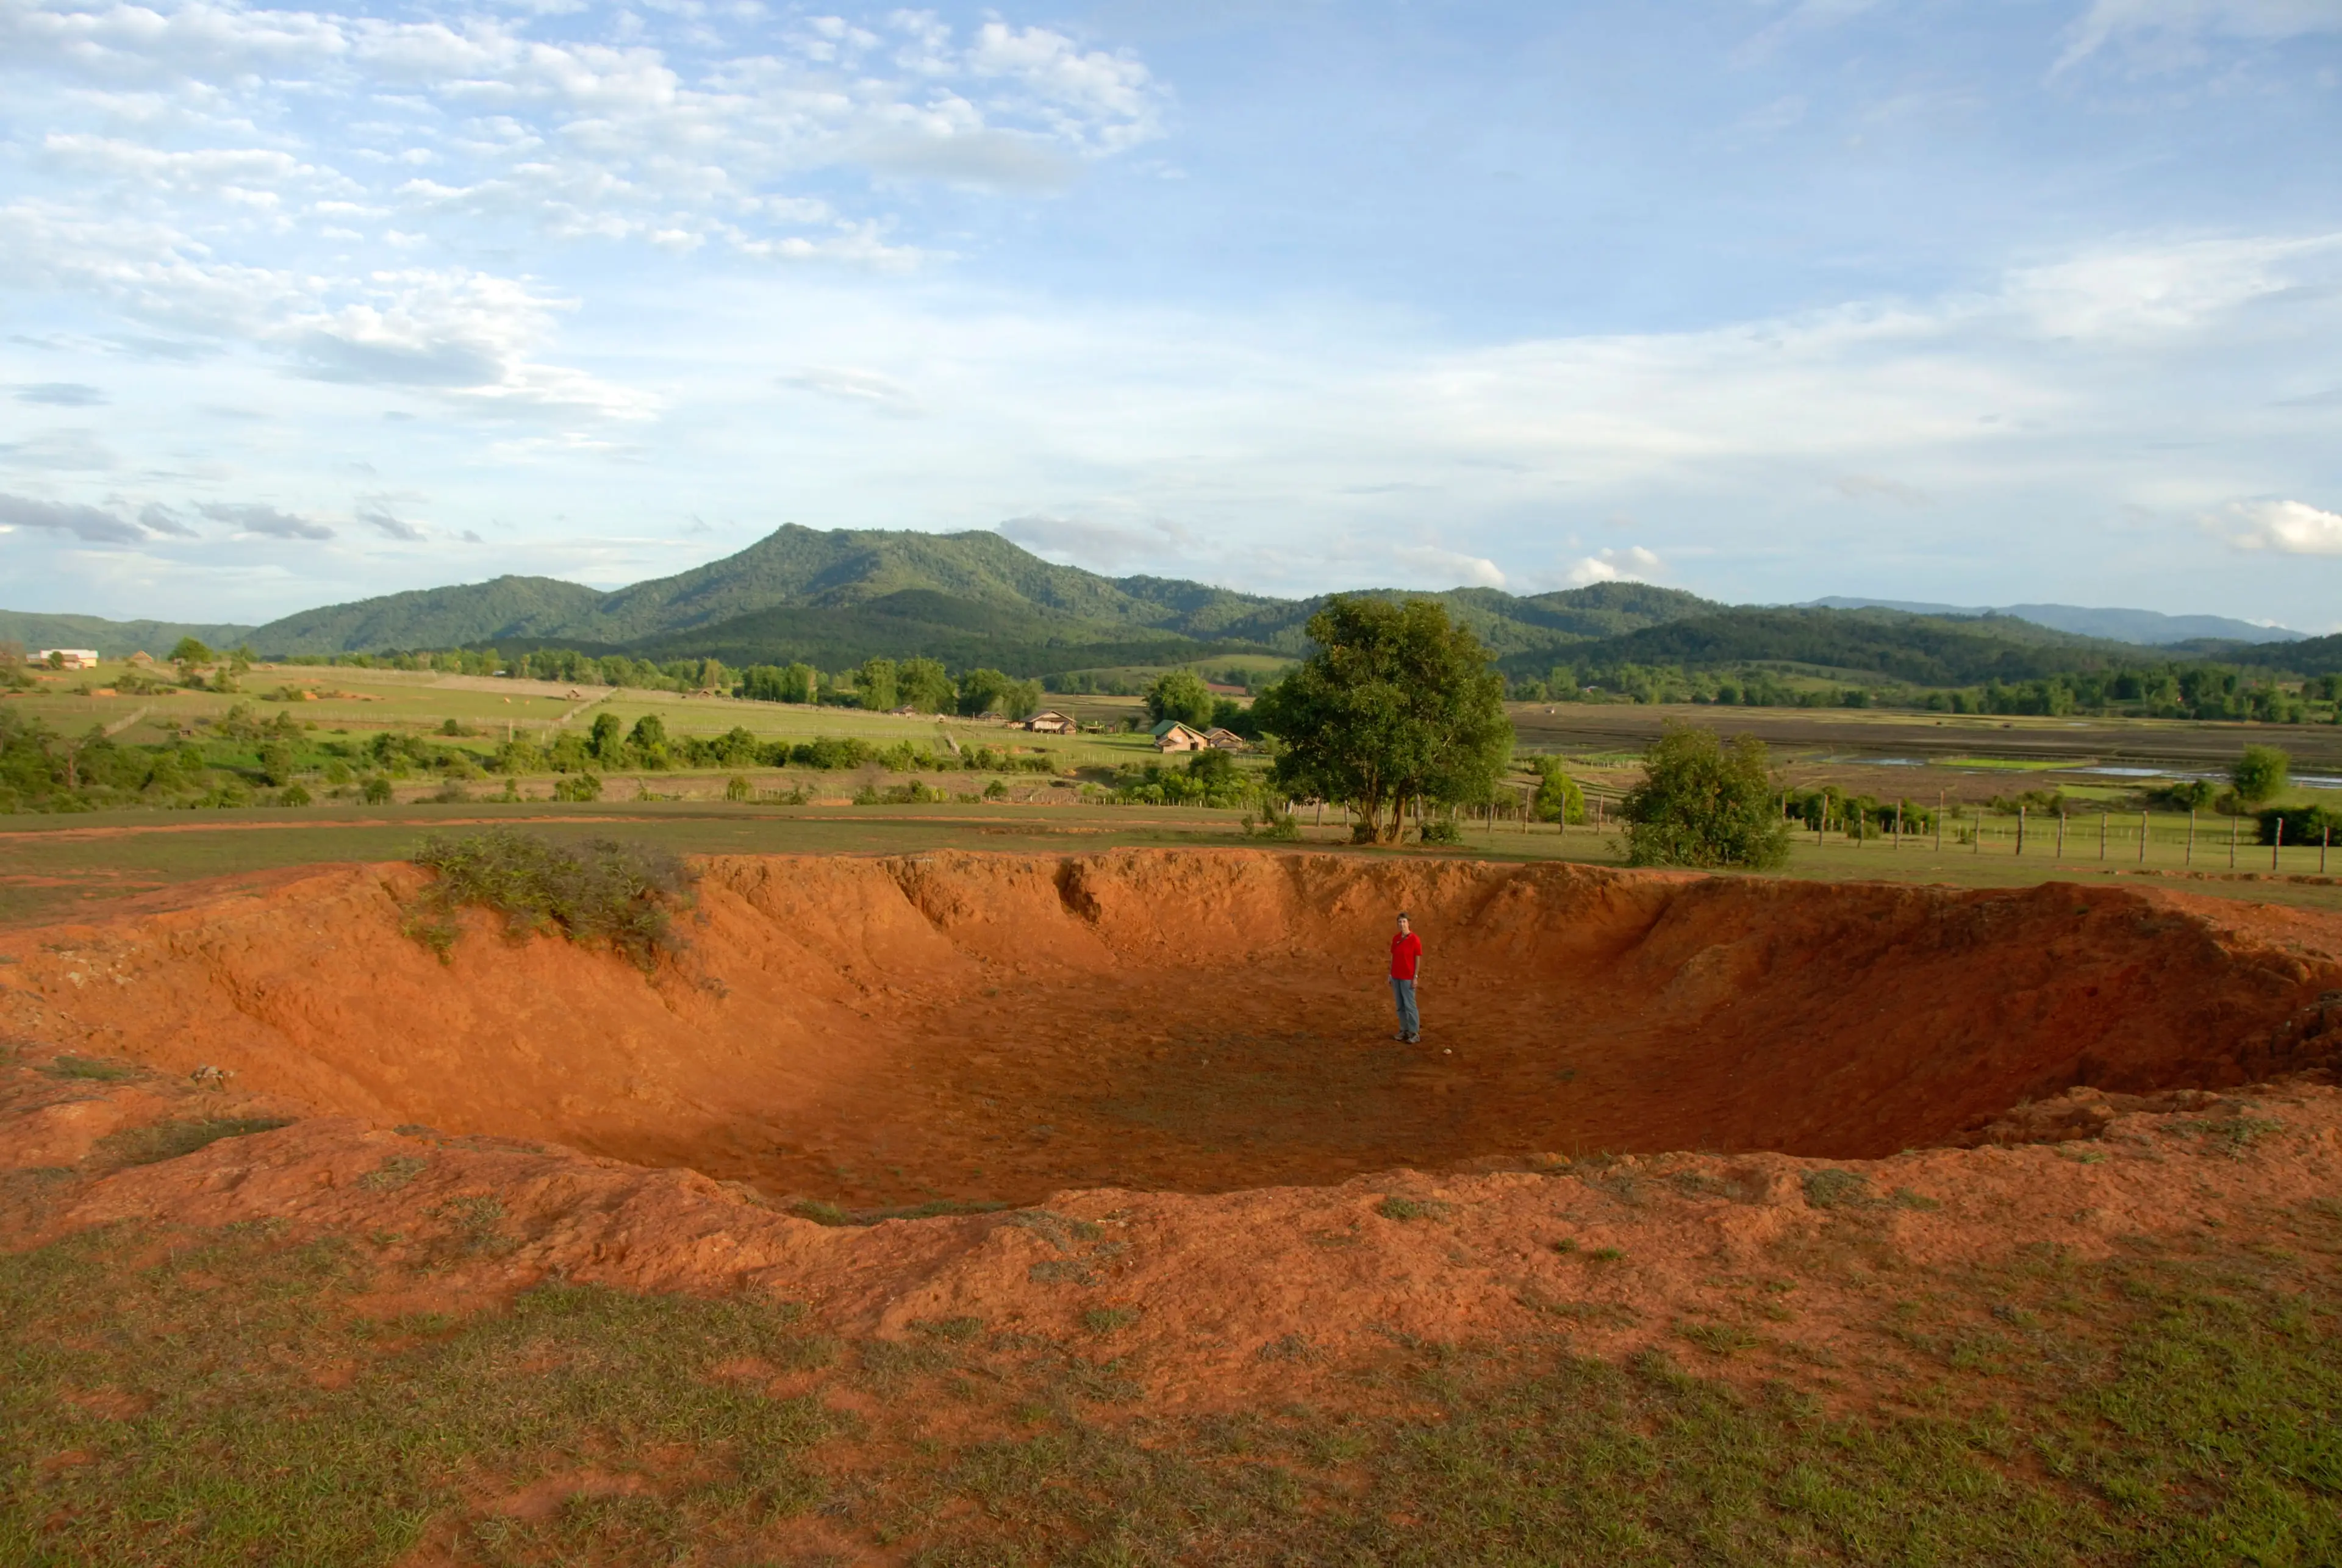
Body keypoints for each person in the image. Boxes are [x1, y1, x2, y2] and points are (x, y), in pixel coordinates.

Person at [1389, 911, 1423, 1044]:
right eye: (1399, 922)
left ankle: (1414, 1033)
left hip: (1407, 977)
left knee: (1410, 1006)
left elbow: (1417, 959)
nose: (1402, 924)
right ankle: (1404, 1030)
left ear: (1408, 923)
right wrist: (1390, 974)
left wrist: (1415, 976)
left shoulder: (1415, 939)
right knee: (1400, 1005)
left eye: (1404, 921)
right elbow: (1393, 957)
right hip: (1396, 976)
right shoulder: (1396, 938)